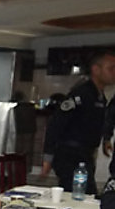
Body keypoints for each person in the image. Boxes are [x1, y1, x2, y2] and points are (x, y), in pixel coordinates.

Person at [41, 50, 115, 193]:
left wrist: (106, 139)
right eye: (111, 68)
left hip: (85, 155)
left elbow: (103, 121)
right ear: (96, 70)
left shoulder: (100, 96)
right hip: (70, 155)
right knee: (80, 195)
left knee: (87, 195)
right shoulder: (81, 94)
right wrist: (48, 158)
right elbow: (55, 124)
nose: (114, 72)